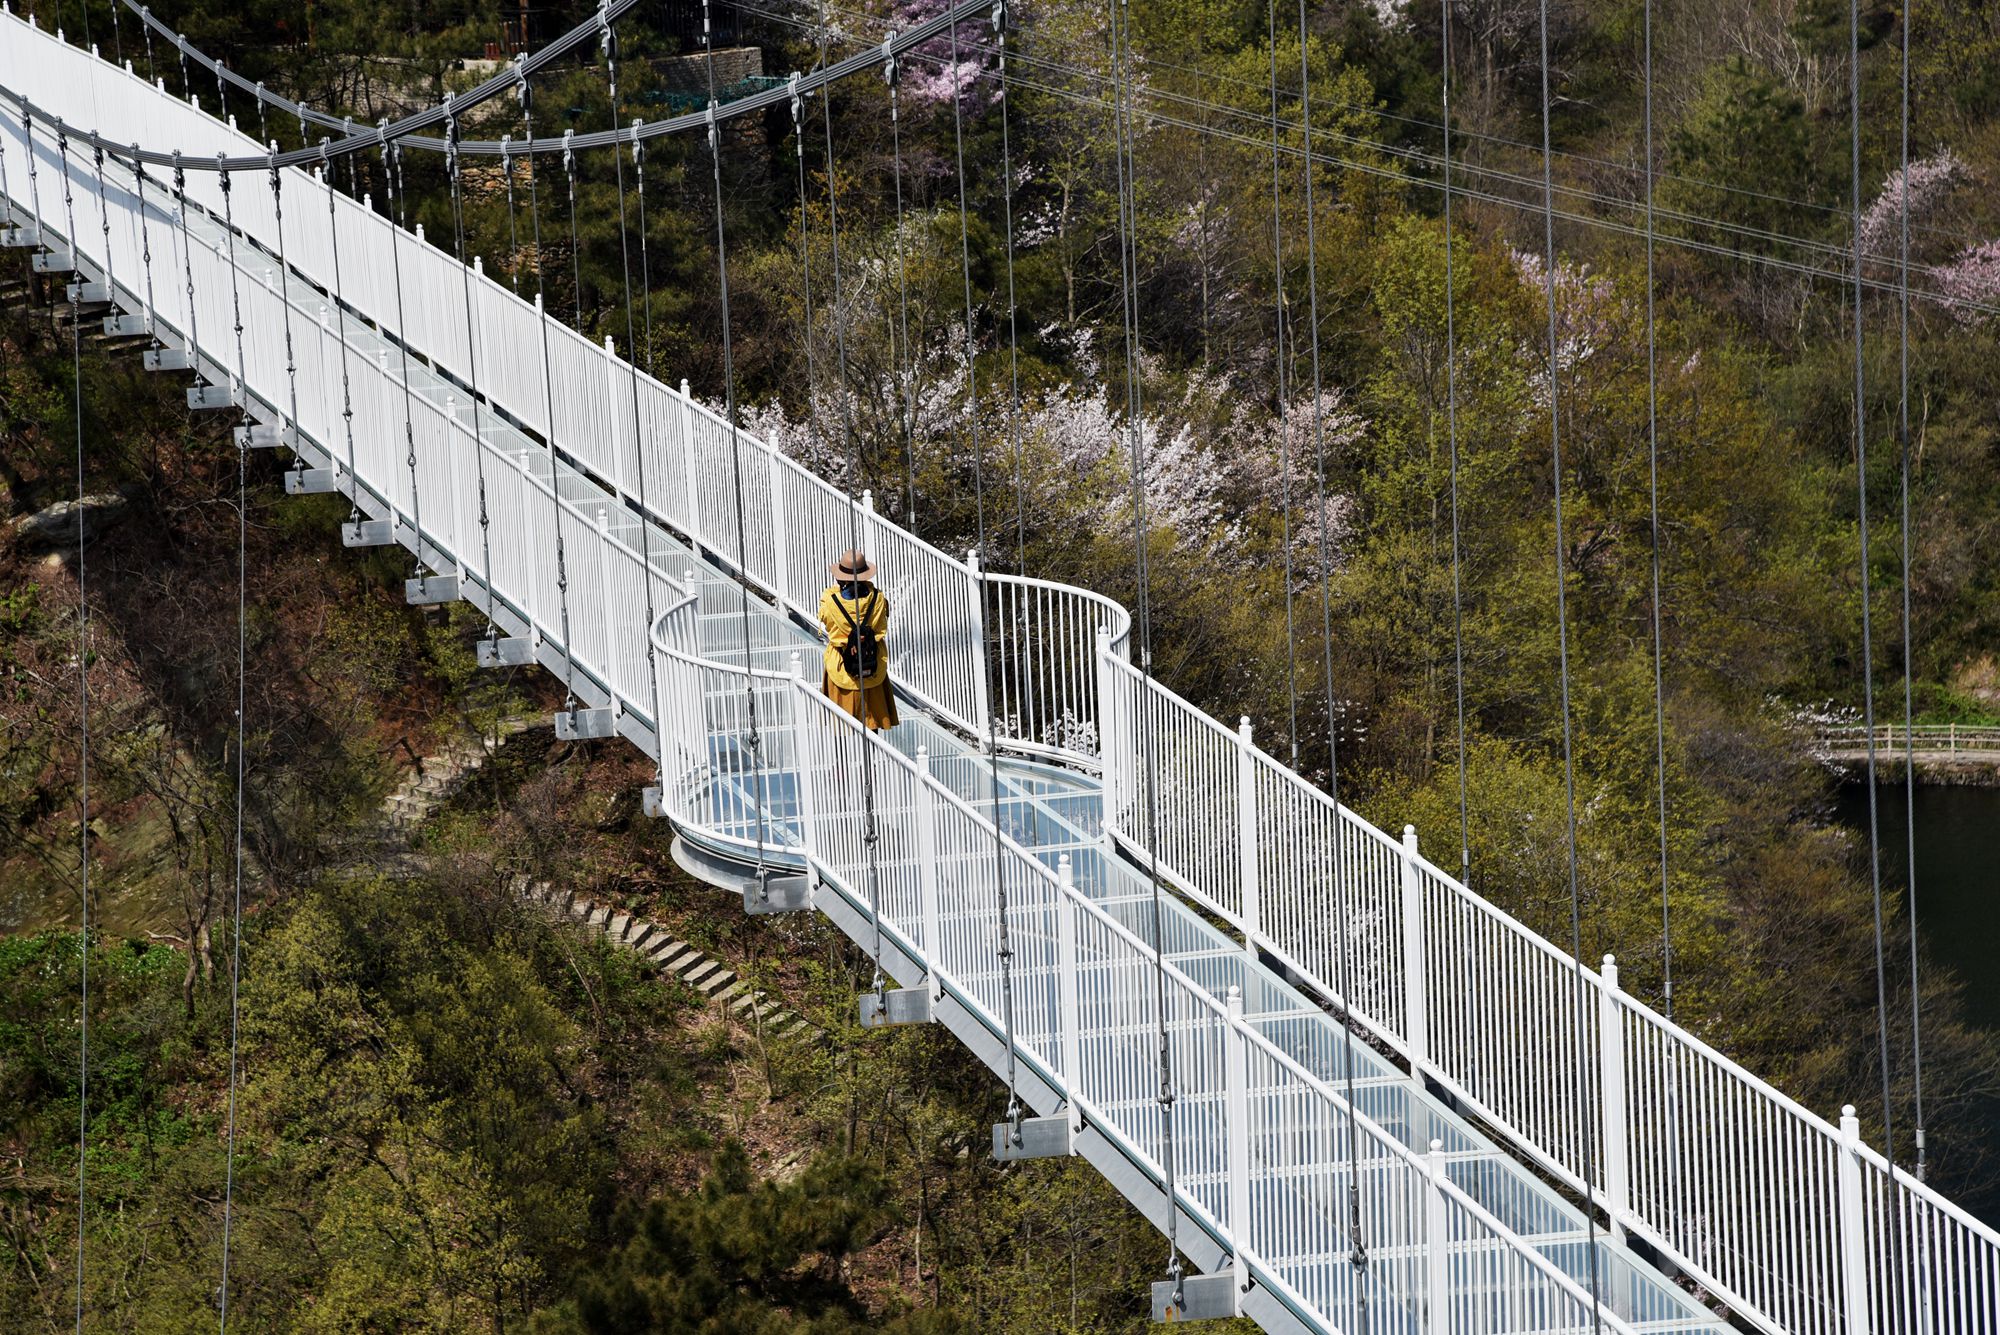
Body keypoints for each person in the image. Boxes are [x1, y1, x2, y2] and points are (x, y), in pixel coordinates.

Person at [819, 549, 899, 730]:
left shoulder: (830, 601)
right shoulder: (878, 599)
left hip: (841, 665)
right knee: (873, 722)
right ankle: (871, 756)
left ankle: (842, 757)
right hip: (872, 665)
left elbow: (826, 621)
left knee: (840, 725)